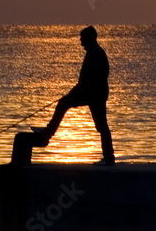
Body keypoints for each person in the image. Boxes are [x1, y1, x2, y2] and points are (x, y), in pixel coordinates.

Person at [25, 25, 115, 165]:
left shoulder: (95, 53)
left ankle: (47, 133)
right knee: (100, 125)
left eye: (82, 38)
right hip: (95, 93)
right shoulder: (94, 51)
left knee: (98, 124)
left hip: (93, 94)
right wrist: (75, 92)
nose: (80, 41)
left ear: (90, 38)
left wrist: (75, 93)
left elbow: (90, 78)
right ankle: (109, 158)